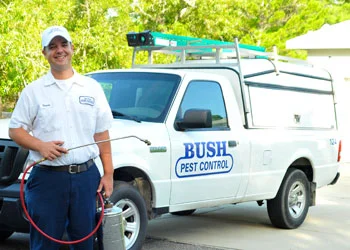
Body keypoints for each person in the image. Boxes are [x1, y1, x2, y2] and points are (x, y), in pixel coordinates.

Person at [8, 26, 114, 250]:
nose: (59, 50)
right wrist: (40, 146)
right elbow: (15, 130)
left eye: (63, 44)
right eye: (52, 46)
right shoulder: (34, 91)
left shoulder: (92, 88)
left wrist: (108, 173)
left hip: (86, 179)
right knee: (44, 244)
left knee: (85, 243)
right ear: (44, 53)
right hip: (47, 180)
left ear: (72, 48)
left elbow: (102, 134)